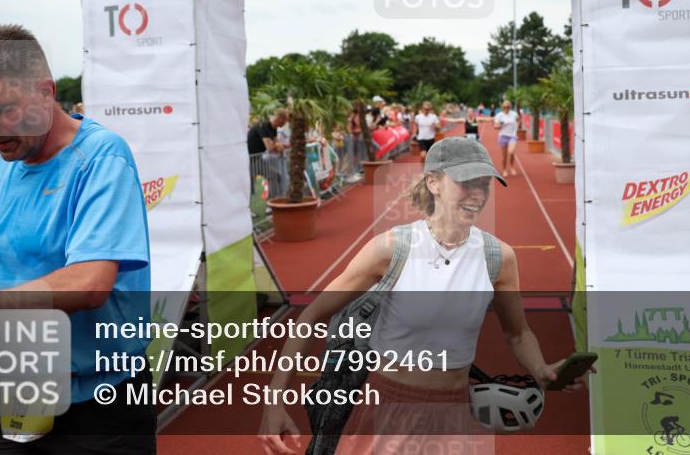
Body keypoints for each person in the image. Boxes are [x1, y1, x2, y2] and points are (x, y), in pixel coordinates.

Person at [0, 24, 155, 454]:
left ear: (45, 91)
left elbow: (89, 283)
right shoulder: (5, 159)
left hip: (97, 403)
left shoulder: (100, 156)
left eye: (3, 109)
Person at [258, 137, 585, 455]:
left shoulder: (498, 258)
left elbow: (518, 333)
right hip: (387, 410)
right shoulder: (393, 248)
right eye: (466, 182)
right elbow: (310, 316)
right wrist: (274, 401)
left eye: (483, 183)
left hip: (455, 414)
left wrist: (542, 368)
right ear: (433, 182)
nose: (478, 194)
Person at [248, 109, 289, 198]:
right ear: (280, 119)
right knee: (250, 185)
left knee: (275, 176)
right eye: (285, 122)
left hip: (258, 159)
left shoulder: (274, 128)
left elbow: (278, 143)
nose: (284, 124)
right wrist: (277, 146)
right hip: (249, 160)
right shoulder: (263, 125)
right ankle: (249, 209)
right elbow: (269, 147)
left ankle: (272, 201)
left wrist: (279, 145)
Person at [493, 99, 519, 178]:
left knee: (511, 152)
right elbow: (495, 126)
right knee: (504, 155)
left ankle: (511, 167)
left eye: (508, 106)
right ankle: (504, 169)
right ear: (502, 107)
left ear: (510, 107)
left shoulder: (514, 114)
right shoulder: (499, 115)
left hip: (512, 136)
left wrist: (516, 128)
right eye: (504, 107)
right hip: (503, 135)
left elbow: (518, 120)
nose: (506, 108)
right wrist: (500, 125)